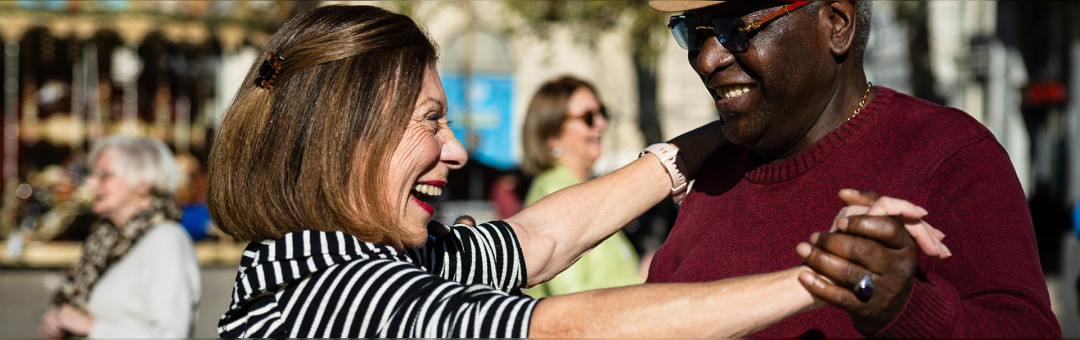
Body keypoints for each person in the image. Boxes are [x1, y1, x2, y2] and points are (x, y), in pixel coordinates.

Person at [207, 5, 949, 338]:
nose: (457, 150)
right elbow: (567, 328)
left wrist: (700, 145)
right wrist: (824, 276)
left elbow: (535, 241)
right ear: (347, 135)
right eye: (431, 121)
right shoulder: (335, 294)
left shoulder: (359, 257)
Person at [647, 0, 1059, 337]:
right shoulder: (715, 172)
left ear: (836, 24)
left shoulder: (950, 153)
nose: (707, 61)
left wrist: (907, 308)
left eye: (734, 29)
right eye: (693, 33)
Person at [39, 135, 201, 338]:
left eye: (104, 175)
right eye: (92, 174)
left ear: (143, 183)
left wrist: (92, 327)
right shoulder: (106, 242)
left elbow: (171, 335)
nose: (90, 183)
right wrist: (59, 323)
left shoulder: (166, 239)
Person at [519, 76, 642, 298]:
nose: (601, 124)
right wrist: (644, 278)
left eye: (602, 112)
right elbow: (569, 296)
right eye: (588, 117)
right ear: (553, 134)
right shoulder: (555, 191)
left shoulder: (580, 187)